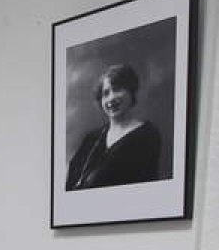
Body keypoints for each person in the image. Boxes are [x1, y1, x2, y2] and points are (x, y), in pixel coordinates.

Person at [66, 63, 162, 191]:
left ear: (131, 91)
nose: (111, 98)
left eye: (117, 89)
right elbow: (71, 180)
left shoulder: (146, 135)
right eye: (105, 94)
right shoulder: (92, 138)